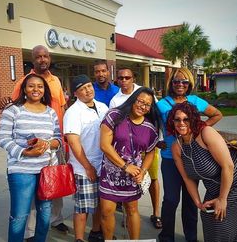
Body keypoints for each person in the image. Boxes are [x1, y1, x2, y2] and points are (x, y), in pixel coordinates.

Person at [157, 67, 223, 242]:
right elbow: (149, 125)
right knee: (170, 200)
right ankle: (166, 237)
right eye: (176, 81)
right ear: (171, 83)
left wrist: (200, 129)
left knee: (190, 201)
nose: (180, 84)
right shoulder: (162, 104)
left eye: (184, 81)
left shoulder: (195, 100)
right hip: (170, 158)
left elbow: (217, 114)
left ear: (189, 84)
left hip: (191, 158)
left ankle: (191, 238)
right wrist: (156, 140)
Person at [11, 45, 68, 239]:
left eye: (45, 56)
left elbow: (62, 108)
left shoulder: (56, 81)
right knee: (36, 194)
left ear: (49, 58)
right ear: (33, 60)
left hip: (55, 141)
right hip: (33, 148)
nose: (42, 59)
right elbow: (15, 108)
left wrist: (62, 140)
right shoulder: (22, 82)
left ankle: (57, 219)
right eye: (38, 57)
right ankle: (30, 231)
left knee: (55, 184)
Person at [167, 102, 237, 242]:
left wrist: (222, 199)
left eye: (186, 119)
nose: (181, 123)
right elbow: (187, 179)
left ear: (193, 120)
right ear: (172, 122)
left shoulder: (205, 133)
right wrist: (198, 203)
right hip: (215, 185)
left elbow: (228, 166)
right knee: (208, 218)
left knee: (222, 225)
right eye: (177, 119)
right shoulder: (176, 147)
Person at [0, 74, 62, 242]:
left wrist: (45, 144)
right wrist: (25, 152)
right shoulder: (13, 110)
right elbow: (3, 138)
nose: (36, 89)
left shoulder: (51, 112)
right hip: (21, 170)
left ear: (44, 90)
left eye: (40, 86)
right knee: (19, 216)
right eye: (31, 86)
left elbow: (58, 139)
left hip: (47, 171)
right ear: (24, 89)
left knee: (45, 213)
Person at [99, 87, 161, 239]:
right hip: (111, 173)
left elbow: (150, 152)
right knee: (107, 210)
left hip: (133, 176)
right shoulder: (114, 115)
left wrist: (143, 171)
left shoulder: (150, 128)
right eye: (140, 101)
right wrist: (125, 166)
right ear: (133, 99)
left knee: (132, 209)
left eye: (147, 104)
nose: (143, 106)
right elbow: (104, 145)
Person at [109, 68, 162, 229]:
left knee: (151, 178)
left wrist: (158, 140)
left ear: (133, 78)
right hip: (125, 150)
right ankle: (128, 214)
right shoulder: (115, 100)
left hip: (147, 145)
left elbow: (155, 116)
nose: (124, 80)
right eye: (120, 78)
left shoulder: (144, 94)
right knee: (127, 181)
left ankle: (156, 213)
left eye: (127, 77)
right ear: (117, 80)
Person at [63, 74, 108, 242]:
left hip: (103, 164)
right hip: (83, 168)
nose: (88, 91)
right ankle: (79, 239)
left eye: (89, 86)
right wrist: (88, 167)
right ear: (76, 93)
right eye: (82, 89)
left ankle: (96, 232)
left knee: (99, 204)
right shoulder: (73, 112)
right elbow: (73, 143)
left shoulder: (103, 107)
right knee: (83, 207)